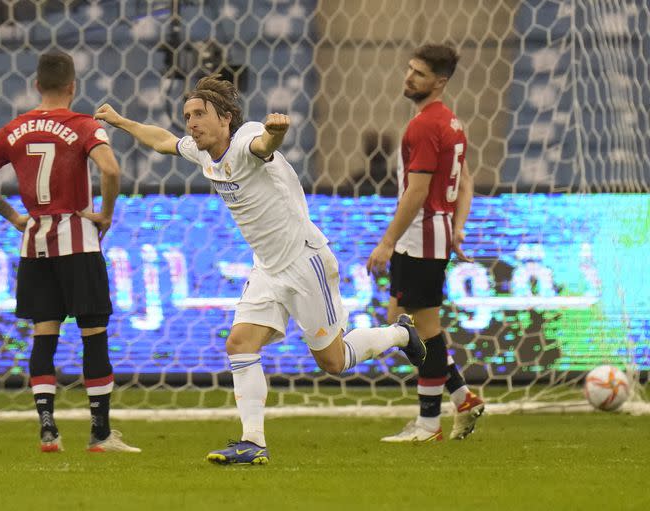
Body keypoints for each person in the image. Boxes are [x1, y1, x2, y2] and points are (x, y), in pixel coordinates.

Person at [95, 75, 426, 465]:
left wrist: (276, 132)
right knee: (239, 343)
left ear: (226, 119)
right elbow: (162, 140)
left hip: (304, 261)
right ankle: (252, 442)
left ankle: (399, 334)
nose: (191, 123)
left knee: (334, 362)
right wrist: (121, 121)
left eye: (200, 114)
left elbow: (264, 145)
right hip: (267, 267)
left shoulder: (246, 138)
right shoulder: (203, 152)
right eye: (187, 116)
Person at [0, 50, 140, 453]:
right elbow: (110, 170)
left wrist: (13, 216)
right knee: (93, 334)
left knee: (44, 336)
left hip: (35, 241)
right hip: (77, 235)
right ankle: (99, 434)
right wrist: (105, 214)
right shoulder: (81, 125)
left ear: (37, 85)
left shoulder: (14, 129)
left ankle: (48, 429)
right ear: (73, 87)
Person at [366, 44, 485, 442]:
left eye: (419, 73)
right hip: (429, 238)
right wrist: (459, 227)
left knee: (424, 332)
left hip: (420, 240)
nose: (409, 77)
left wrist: (386, 242)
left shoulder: (424, 126)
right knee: (399, 322)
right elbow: (465, 181)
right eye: (409, 69)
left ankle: (429, 424)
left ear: (440, 82)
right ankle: (462, 396)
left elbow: (416, 192)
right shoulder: (451, 124)